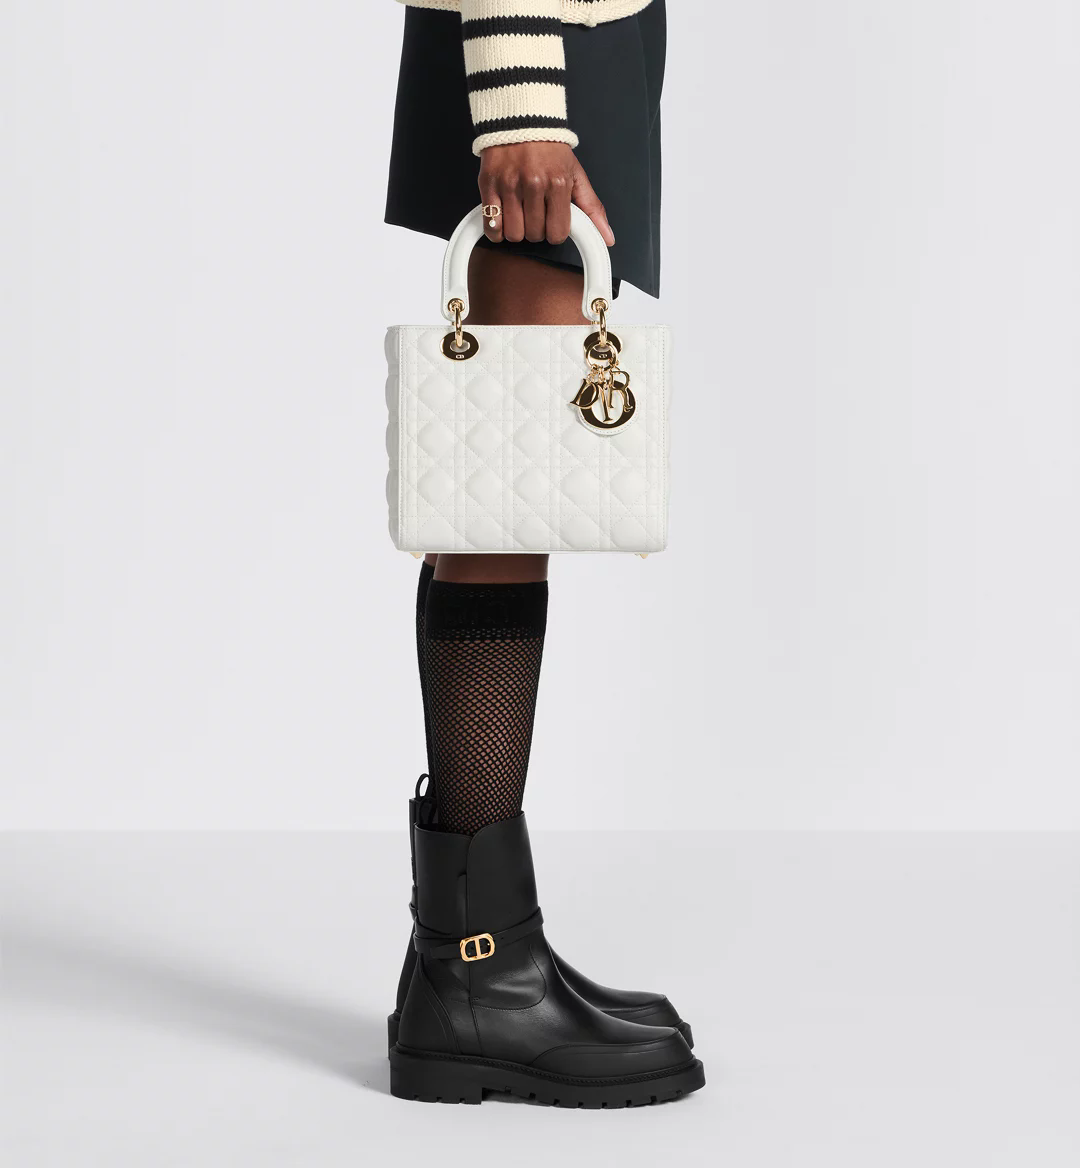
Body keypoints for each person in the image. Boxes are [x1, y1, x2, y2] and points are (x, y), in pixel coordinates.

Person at [383, 0, 705, 1107]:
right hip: (540, 38)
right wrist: (522, 99)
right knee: (505, 484)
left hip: (584, 31)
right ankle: (477, 971)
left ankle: (481, 949)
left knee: (508, 479)